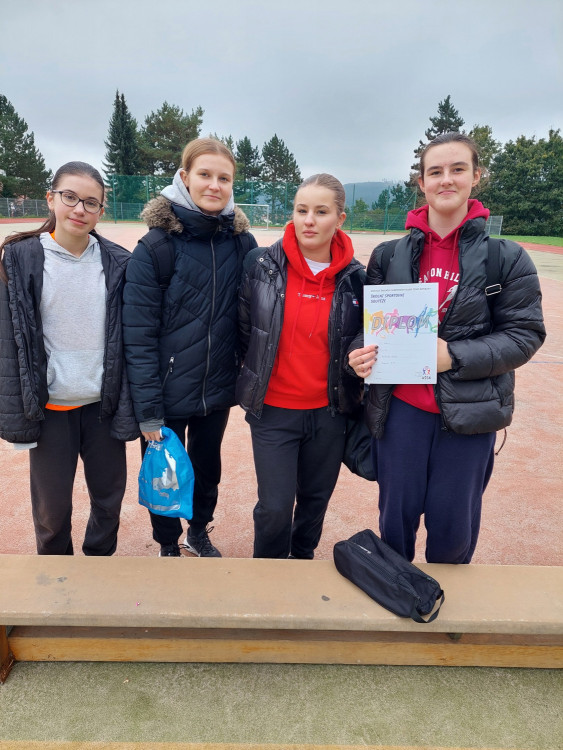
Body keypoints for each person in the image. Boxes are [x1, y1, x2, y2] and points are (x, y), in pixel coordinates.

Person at [348, 132, 546, 564]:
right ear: (421, 182)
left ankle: (446, 607)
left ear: (476, 176)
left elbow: (524, 335)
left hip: (469, 418)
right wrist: (359, 354)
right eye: (435, 171)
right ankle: (396, 593)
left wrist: (452, 357)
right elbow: (368, 328)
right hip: (400, 412)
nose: (446, 179)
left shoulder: (505, 257)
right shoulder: (388, 255)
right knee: (394, 525)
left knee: (453, 531)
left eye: (458, 169)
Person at [123, 137, 257, 558]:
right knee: (164, 473)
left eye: (224, 178)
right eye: (205, 174)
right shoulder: (155, 247)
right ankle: (167, 543)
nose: (214, 185)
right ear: (184, 177)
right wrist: (148, 410)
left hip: (216, 386)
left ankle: (198, 532)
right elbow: (138, 336)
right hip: (165, 391)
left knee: (207, 467)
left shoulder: (242, 244)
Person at [0, 161, 139, 555]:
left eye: (91, 202)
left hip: (102, 408)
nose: (80, 209)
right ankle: (56, 570)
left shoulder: (119, 262)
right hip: (51, 411)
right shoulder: (19, 259)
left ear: (101, 210)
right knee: (52, 512)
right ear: (51, 199)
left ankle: (97, 563)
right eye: (70, 197)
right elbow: (8, 340)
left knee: (108, 502)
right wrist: (16, 413)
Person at [237, 173, 365, 559]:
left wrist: (358, 355)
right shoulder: (261, 264)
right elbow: (244, 330)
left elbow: (362, 337)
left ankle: (302, 558)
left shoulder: (357, 279)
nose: (309, 220)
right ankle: (269, 572)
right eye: (301, 210)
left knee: (314, 503)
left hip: (329, 414)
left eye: (321, 212)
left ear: (340, 219)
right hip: (273, 411)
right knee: (275, 508)